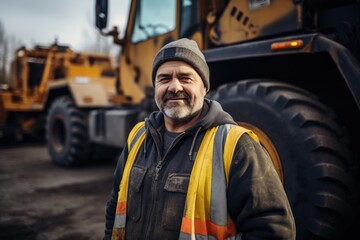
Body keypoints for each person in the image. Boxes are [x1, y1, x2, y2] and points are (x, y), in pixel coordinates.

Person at [104, 38, 296, 240]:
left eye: (186, 78)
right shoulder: (138, 137)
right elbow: (115, 205)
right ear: (155, 87)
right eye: (164, 78)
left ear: (204, 88)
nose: (174, 87)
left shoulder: (236, 145)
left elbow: (273, 230)